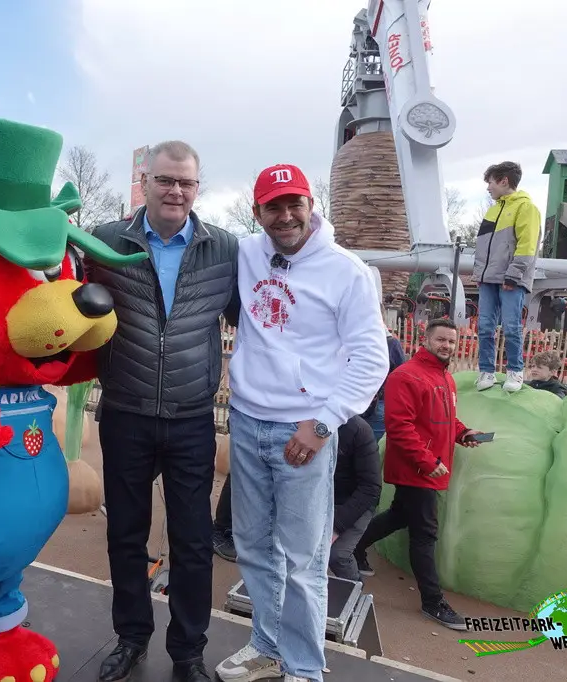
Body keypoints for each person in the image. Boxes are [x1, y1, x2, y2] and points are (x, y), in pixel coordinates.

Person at [216, 165, 388, 682]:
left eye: (296, 203)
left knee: (301, 558)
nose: (286, 216)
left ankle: (304, 668)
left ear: (312, 205)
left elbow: (371, 358)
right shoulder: (247, 253)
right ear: (258, 212)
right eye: (274, 206)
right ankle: (268, 645)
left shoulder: (346, 271)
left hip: (304, 431)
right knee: (252, 544)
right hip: (247, 421)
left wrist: (322, 424)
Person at [85, 140, 240, 682]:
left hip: (191, 417)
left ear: (198, 188)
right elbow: (73, 302)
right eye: (166, 181)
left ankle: (188, 652)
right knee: (125, 534)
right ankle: (131, 637)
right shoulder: (105, 242)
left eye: (186, 183)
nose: (176, 191)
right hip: (125, 411)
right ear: (145, 182)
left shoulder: (224, 249)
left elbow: (259, 320)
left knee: (193, 540)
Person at [353, 318, 485, 631]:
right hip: (417, 469)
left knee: (400, 515)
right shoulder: (405, 376)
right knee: (425, 534)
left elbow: (445, 421)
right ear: (425, 340)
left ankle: (353, 547)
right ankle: (432, 601)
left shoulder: (445, 379)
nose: (447, 346)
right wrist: (426, 461)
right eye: (441, 340)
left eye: (452, 342)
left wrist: (463, 432)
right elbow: (400, 427)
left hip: (428, 466)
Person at [473, 161, 541, 393]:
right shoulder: (493, 210)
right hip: (488, 278)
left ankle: (515, 371)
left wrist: (514, 275)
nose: (488, 188)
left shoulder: (526, 208)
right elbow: (482, 247)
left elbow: (527, 244)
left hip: (511, 278)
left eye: (490, 182)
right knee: (484, 326)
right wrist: (480, 274)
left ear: (503, 181)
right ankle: (486, 371)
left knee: (511, 326)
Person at [329, 414, 382, 582]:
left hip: (355, 500)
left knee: (337, 555)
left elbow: (370, 487)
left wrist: (336, 526)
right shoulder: (298, 421)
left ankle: (355, 594)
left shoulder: (359, 430)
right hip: (318, 498)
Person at [364, 312, 407, 444]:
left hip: (377, 403)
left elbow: (401, 375)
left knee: (371, 446)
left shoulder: (390, 343)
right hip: (358, 404)